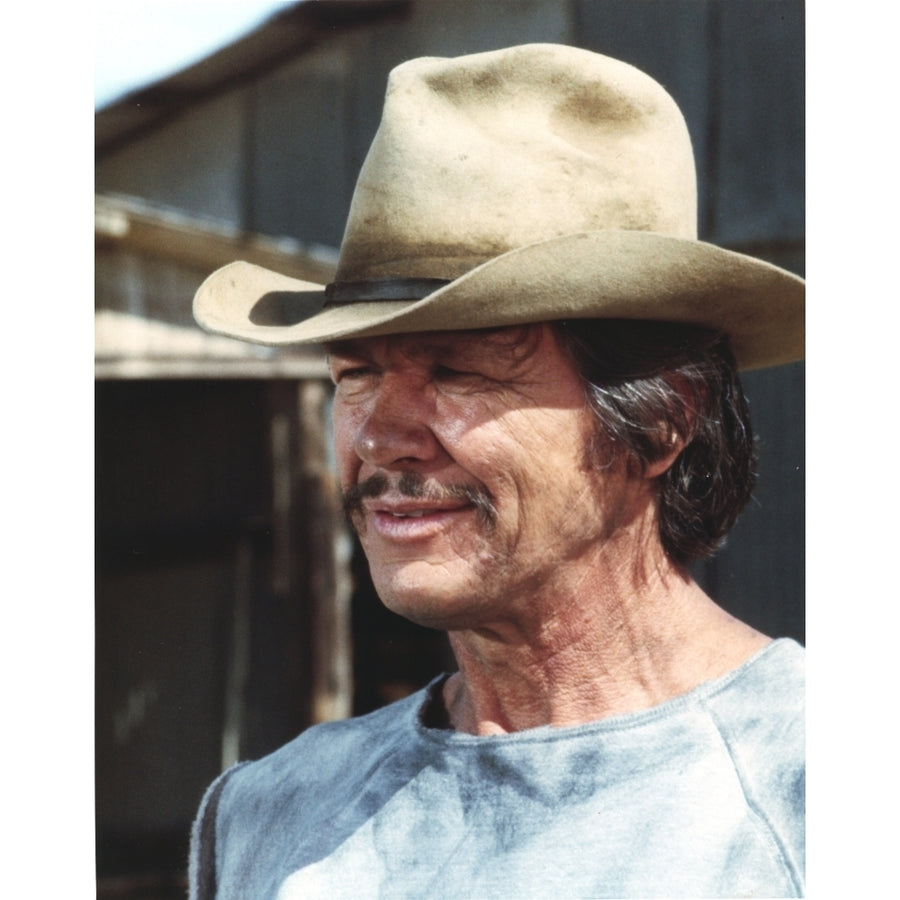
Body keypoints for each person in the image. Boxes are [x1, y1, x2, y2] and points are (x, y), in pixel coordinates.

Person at [189, 43, 804, 899]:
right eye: (355, 372)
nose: (381, 438)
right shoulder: (274, 815)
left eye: (459, 370)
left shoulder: (818, 790)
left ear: (664, 417)